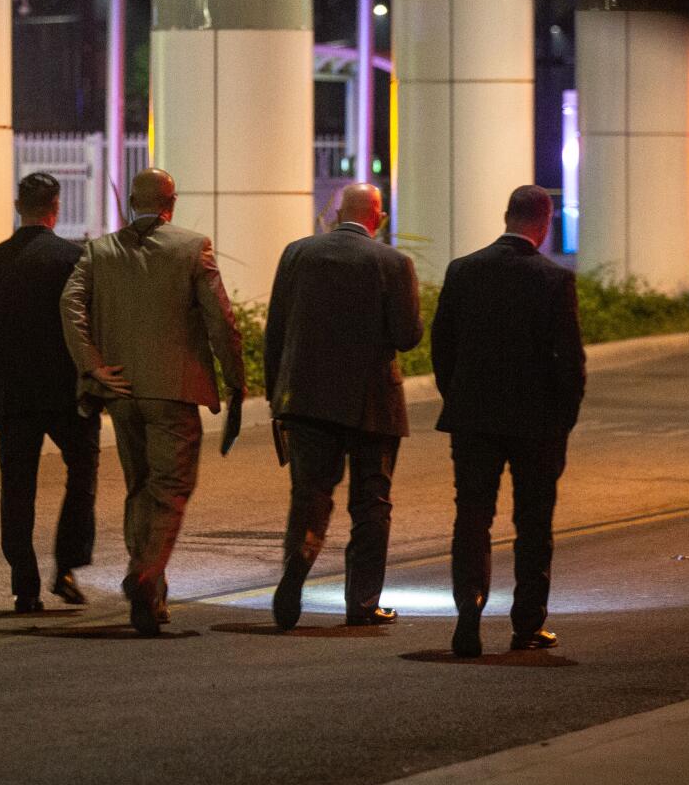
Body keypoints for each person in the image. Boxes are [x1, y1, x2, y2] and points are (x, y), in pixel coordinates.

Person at [60, 168, 243, 638]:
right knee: (171, 487)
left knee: (141, 487)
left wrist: (93, 365)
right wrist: (235, 379)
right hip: (173, 390)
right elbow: (220, 319)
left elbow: (70, 304)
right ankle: (144, 574)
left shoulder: (100, 251)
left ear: (131, 204)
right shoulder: (192, 247)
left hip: (121, 393)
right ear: (172, 202)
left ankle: (152, 596)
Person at [431, 184, 587, 658]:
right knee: (533, 522)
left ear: (506, 216)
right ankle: (526, 626)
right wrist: (563, 420)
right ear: (545, 221)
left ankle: (469, 614)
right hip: (535, 422)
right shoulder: (553, 280)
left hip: (473, 417)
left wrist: (458, 396)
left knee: (473, 516)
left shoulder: (463, 270)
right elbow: (570, 363)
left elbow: (443, 347)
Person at [263, 183, 422, 630]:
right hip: (373, 405)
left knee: (310, 496)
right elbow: (408, 336)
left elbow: (276, 328)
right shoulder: (394, 263)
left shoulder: (297, 254)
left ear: (335, 213)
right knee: (371, 504)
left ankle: (295, 572)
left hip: (308, 400)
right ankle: (363, 604)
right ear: (379, 216)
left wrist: (278, 395)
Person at [0, 172, 99, 613]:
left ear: (17, 205)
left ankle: (24, 582)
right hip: (65, 393)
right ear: (55, 207)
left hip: (12, 393)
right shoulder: (74, 259)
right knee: (82, 472)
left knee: (17, 487)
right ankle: (66, 565)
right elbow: (87, 325)